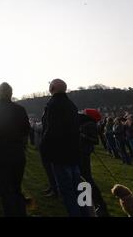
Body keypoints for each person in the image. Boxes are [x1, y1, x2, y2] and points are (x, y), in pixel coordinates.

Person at [0, 82, 30, 217]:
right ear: (11, 94)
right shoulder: (20, 109)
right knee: (16, 188)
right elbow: (26, 130)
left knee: (5, 190)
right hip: (18, 154)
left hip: (1, 155)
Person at [40, 79, 88, 217]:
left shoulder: (53, 104)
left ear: (53, 88)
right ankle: (86, 213)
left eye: (50, 84)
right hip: (73, 153)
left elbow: (52, 130)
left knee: (67, 192)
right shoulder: (71, 105)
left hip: (60, 154)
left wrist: (43, 147)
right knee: (78, 189)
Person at [78, 109, 109, 217]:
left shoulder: (90, 124)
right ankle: (86, 201)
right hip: (81, 152)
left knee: (87, 179)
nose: (82, 113)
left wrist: (82, 135)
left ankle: (100, 205)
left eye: (84, 112)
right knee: (82, 178)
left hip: (84, 153)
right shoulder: (84, 123)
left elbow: (95, 140)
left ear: (89, 115)